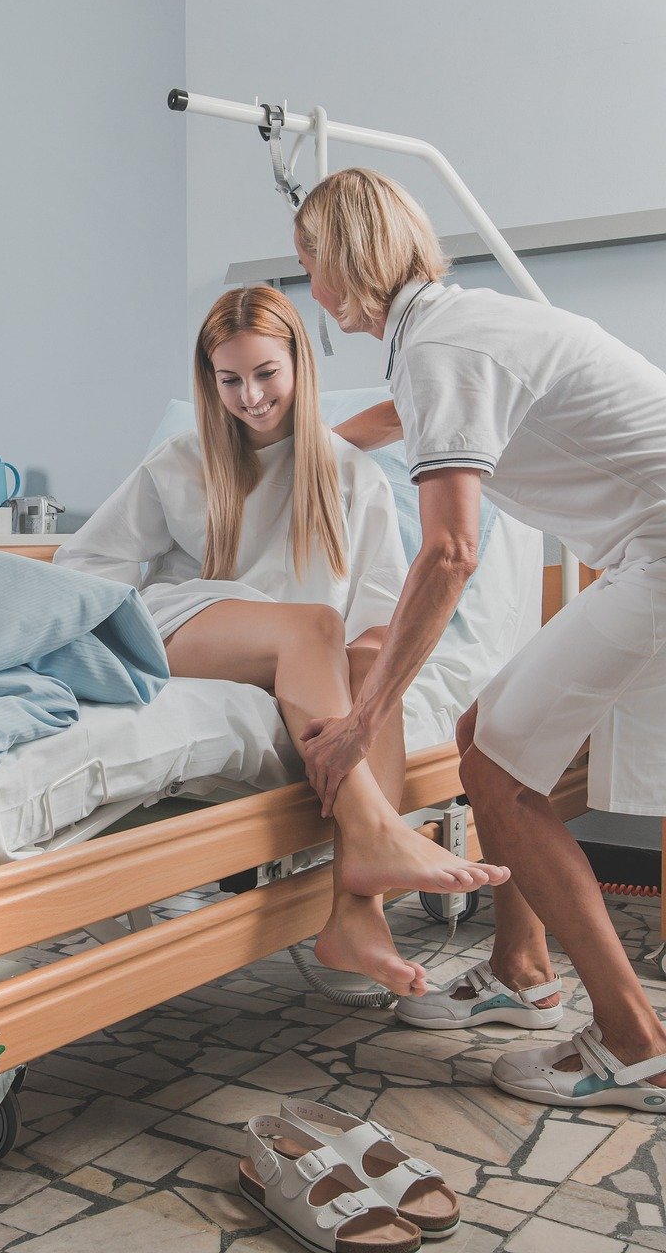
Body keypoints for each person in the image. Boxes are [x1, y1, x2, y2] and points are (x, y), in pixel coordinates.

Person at [295, 166, 666, 1110]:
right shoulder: (448, 332)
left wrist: (362, 715)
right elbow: (391, 422)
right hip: (644, 545)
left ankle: (634, 1043)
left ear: (343, 258)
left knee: (490, 764)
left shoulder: (439, 347)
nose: (310, 285)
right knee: (496, 744)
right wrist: (282, 454)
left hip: (658, 545)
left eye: (309, 259)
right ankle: (522, 967)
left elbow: (452, 551)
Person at [55, 285, 509, 996]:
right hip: (184, 629)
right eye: (228, 379)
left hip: (301, 655)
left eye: (265, 374)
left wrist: (368, 672)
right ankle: (379, 838)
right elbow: (84, 565)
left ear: (298, 364)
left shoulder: (350, 474)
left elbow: (381, 614)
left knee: (368, 669)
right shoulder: (182, 461)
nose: (250, 397)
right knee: (317, 626)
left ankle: (355, 917)